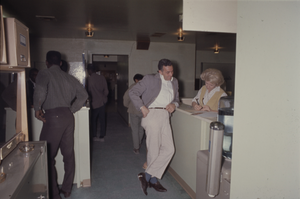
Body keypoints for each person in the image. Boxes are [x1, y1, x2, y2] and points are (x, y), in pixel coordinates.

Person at [33, 51, 88, 199]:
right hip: (68, 117)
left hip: (53, 117)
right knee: (68, 154)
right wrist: (71, 109)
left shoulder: (44, 74)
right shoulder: (69, 78)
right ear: (61, 63)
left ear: (46, 62)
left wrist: (37, 108)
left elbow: (40, 90)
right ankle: (67, 189)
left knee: (46, 156)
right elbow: (84, 95)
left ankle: (54, 194)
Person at [129, 58, 179, 195]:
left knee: (169, 149)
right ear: (160, 71)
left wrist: (174, 104)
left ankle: (146, 176)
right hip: (152, 113)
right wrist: (142, 107)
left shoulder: (174, 81)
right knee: (154, 149)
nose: (170, 75)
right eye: (167, 72)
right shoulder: (150, 79)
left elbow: (176, 99)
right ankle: (153, 179)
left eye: (172, 71)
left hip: (165, 116)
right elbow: (132, 93)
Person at [86, 64, 109, 142]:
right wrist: (103, 98)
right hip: (102, 102)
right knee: (102, 119)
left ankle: (94, 136)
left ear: (89, 70)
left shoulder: (89, 79)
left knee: (93, 120)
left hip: (94, 103)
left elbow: (88, 92)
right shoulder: (102, 77)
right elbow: (106, 91)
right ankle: (102, 136)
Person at [123, 73, 144, 154]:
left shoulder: (132, 87)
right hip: (143, 110)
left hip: (133, 110)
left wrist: (127, 105)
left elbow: (126, 97)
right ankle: (138, 143)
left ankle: (136, 148)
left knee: (135, 129)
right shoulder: (145, 87)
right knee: (141, 128)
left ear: (135, 80)